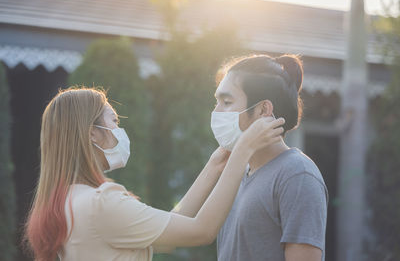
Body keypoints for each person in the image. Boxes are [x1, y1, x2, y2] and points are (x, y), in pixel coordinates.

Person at [23, 87, 285, 261]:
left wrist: (214, 166)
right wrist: (244, 149)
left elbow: (171, 228)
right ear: (92, 133)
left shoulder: (68, 199)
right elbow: (201, 231)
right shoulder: (101, 203)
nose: (119, 129)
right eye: (113, 121)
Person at [212, 54, 328, 261]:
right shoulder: (237, 172)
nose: (217, 111)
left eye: (227, 101)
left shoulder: (297, 175)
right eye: (217, 101)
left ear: (263, 110)